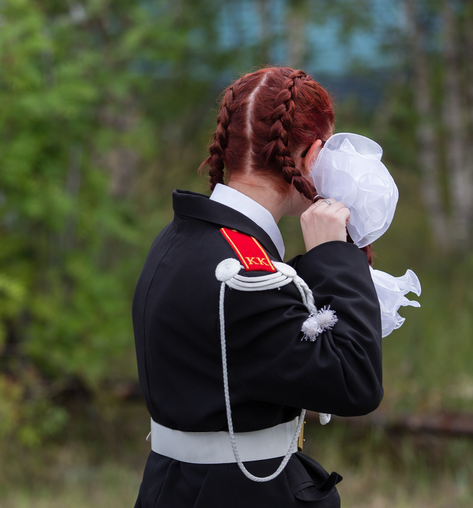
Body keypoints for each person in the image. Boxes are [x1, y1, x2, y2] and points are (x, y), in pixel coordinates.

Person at [132, 66, 382, 508]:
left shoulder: (184, 237)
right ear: (311, 156)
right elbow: (355, 381)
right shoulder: (243, 273)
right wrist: (334, 257)